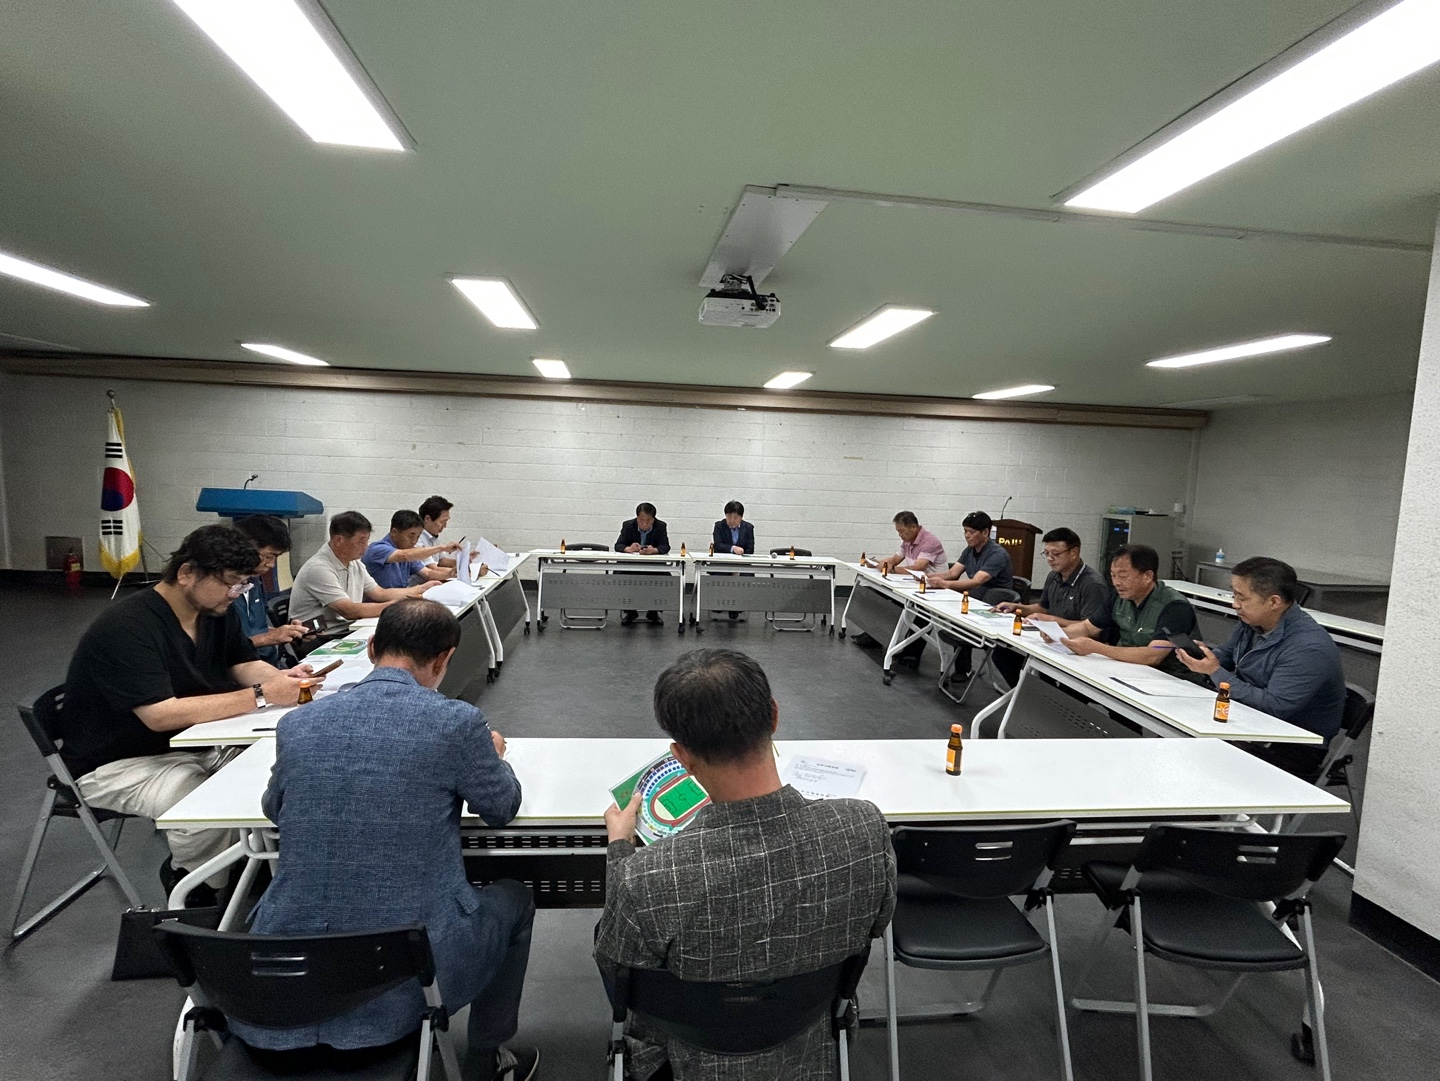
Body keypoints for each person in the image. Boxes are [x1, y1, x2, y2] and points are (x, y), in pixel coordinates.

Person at [232, 600, 537, 1081]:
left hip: (282, 981)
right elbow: (502, 808)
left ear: (372, 648)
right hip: (407, 975)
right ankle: (488, 1055)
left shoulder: (298, 723)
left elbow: (276, 809)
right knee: (515, 898)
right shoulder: (457, 723)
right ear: (444, 659)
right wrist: (494, 757)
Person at [596, 649, 895, 1081]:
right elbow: (877, 922)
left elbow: (617, 966)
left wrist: (620, 849)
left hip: (688, 1054)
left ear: (681, 755)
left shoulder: (650, 876)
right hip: (812, 1042)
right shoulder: (864, 829)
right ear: (774, 715)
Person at [58, 525, 321, 902]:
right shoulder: (127, 627)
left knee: (279, 772)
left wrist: (282, 679)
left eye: (243, 584)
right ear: (186, 573)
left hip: (190, 743)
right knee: (202, 805)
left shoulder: (214, 611)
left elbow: (241, 662)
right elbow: (160, 715)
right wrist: (263, 695)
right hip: (117, 762)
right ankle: (194, 890)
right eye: (231, 583)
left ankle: (248, 871)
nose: (236, 593)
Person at [1175, 556, 1346, 776]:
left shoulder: (1309, 647)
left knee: (1195, 754)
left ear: (1274, 602)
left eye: (1242, 598)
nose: (1234, 604)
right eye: (1234, 594)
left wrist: (1215, 671)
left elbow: (1274, 706)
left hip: (1291, 745)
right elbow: (1225, 655)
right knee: (1177, 729)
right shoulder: (1252, 623)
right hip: (1247, 721)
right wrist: (1202, 657)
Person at [1046, 544, 1198, 678]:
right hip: (1132, 670)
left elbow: (1153, 656)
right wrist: (1058, 634)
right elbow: (1087, 627)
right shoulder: (1119, 598)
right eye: (1113, 575)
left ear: (1147, 576)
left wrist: (1097, 648)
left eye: (1123, 576)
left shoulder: (1174, 607)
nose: (1116, 582)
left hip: (1173, 678)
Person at [990, 527, 1110, 686]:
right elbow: (1042, 608)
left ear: (1074, 553)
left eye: (1056, 554)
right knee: (1003, 654)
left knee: (1044, 670)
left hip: (1079, 646)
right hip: (1051, 638)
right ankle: (1028, 695)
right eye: (1046, 553)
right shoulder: (1054, 576)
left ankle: (1038, 694)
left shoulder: (1092, 584)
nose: (1050, 558)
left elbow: (1091, 628)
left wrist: (1050, 620)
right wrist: (1017, 607)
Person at [289, 511, 439, 624]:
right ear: (339, 540)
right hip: (317, 638)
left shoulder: (355, 563)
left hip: (344, 629)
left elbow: (380, 593)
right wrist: (398, 606)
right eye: (361, 541)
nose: (366, 546)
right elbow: (349, 611)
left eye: (367, 540)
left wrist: (421, 589)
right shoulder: (319, 568)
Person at [918, 511, 1013, 673]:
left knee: (959, 620)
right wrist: (927, 577)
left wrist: (944, 584)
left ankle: (963, 670)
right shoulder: (969, 550)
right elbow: (952, 573)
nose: (967, 535)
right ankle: (961, 668)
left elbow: (976, 581)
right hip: (976, 598)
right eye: (965, 531)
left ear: (985, 532)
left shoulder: (997, 554)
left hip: (993, 603)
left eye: (971, 532)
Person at [231, 514, 309, 666]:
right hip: (244, 667)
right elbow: (224, 647)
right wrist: (269, 638)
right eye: (268, 557)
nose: (271, 565)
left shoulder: (255, 581)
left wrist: (288, 632)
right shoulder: (221, 592)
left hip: (271, 663)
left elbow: (258, 628)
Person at [362, 509, 469, 588]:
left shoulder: (408, 553)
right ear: (394, 532)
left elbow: (428, 574)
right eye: (411, 535)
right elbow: (404, 556)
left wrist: (453, 574)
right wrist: (442, 548)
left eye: (418, 536)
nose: (414, 541)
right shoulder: (378, 548)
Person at [614, 502, 671, 625]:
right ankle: (630, 611)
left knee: (665, 578)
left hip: (652, 566)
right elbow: (618, 545)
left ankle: (653, 611)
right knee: (620, 575)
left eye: (648, 521)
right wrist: (628, 548)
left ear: (654, 519)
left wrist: (653, 550)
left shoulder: (660, 526)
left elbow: (665, 546)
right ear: (637, 518)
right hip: (631, 565)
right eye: (641, 520)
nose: (644, 524)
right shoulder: (628, 525)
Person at [710, 499, 755, 620]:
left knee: (746, 577)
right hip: (723, 563)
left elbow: (750, 549)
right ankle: (720, 603)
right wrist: (732, 548)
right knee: (720, 575)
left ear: (741, 517)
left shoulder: (748, 528)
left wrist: (742, 553)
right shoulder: (719, 526)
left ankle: (736, 606)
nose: (731, 521)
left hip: (741, 564)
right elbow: (718, 545)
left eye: (735, 518)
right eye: (728, 517)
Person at [875, 511, 946, 576]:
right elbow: (895, 560)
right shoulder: (908, 541)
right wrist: (877, 564)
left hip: (936, 583)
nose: (900, 535)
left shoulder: (930, 542)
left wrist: (891, 569)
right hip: (916, 581)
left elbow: (917, 568)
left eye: (902, 531)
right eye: (898, 531)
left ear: (913, 527)